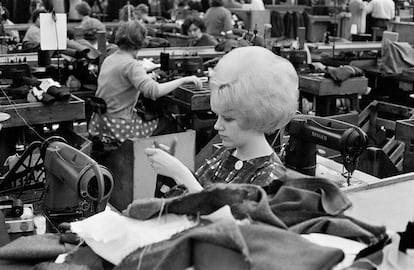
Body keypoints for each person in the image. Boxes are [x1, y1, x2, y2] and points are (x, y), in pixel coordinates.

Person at [144, 46, 299, 193]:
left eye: (228, 119)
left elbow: (228, 219)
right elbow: (202, 189)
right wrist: (172, 171)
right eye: (218, 116)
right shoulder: (227, 153)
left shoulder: (270, 178)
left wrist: (179, 172)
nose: (217, 126)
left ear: (257, 117)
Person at [88, 20, 202, 144]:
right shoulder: (131, 65)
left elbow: (123, 83)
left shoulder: (110, 59)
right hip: (120, 125)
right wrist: (184, 80)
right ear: (141, 41)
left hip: (101, 121)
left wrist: (148, 78)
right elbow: (155, 91)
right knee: (170, 123)